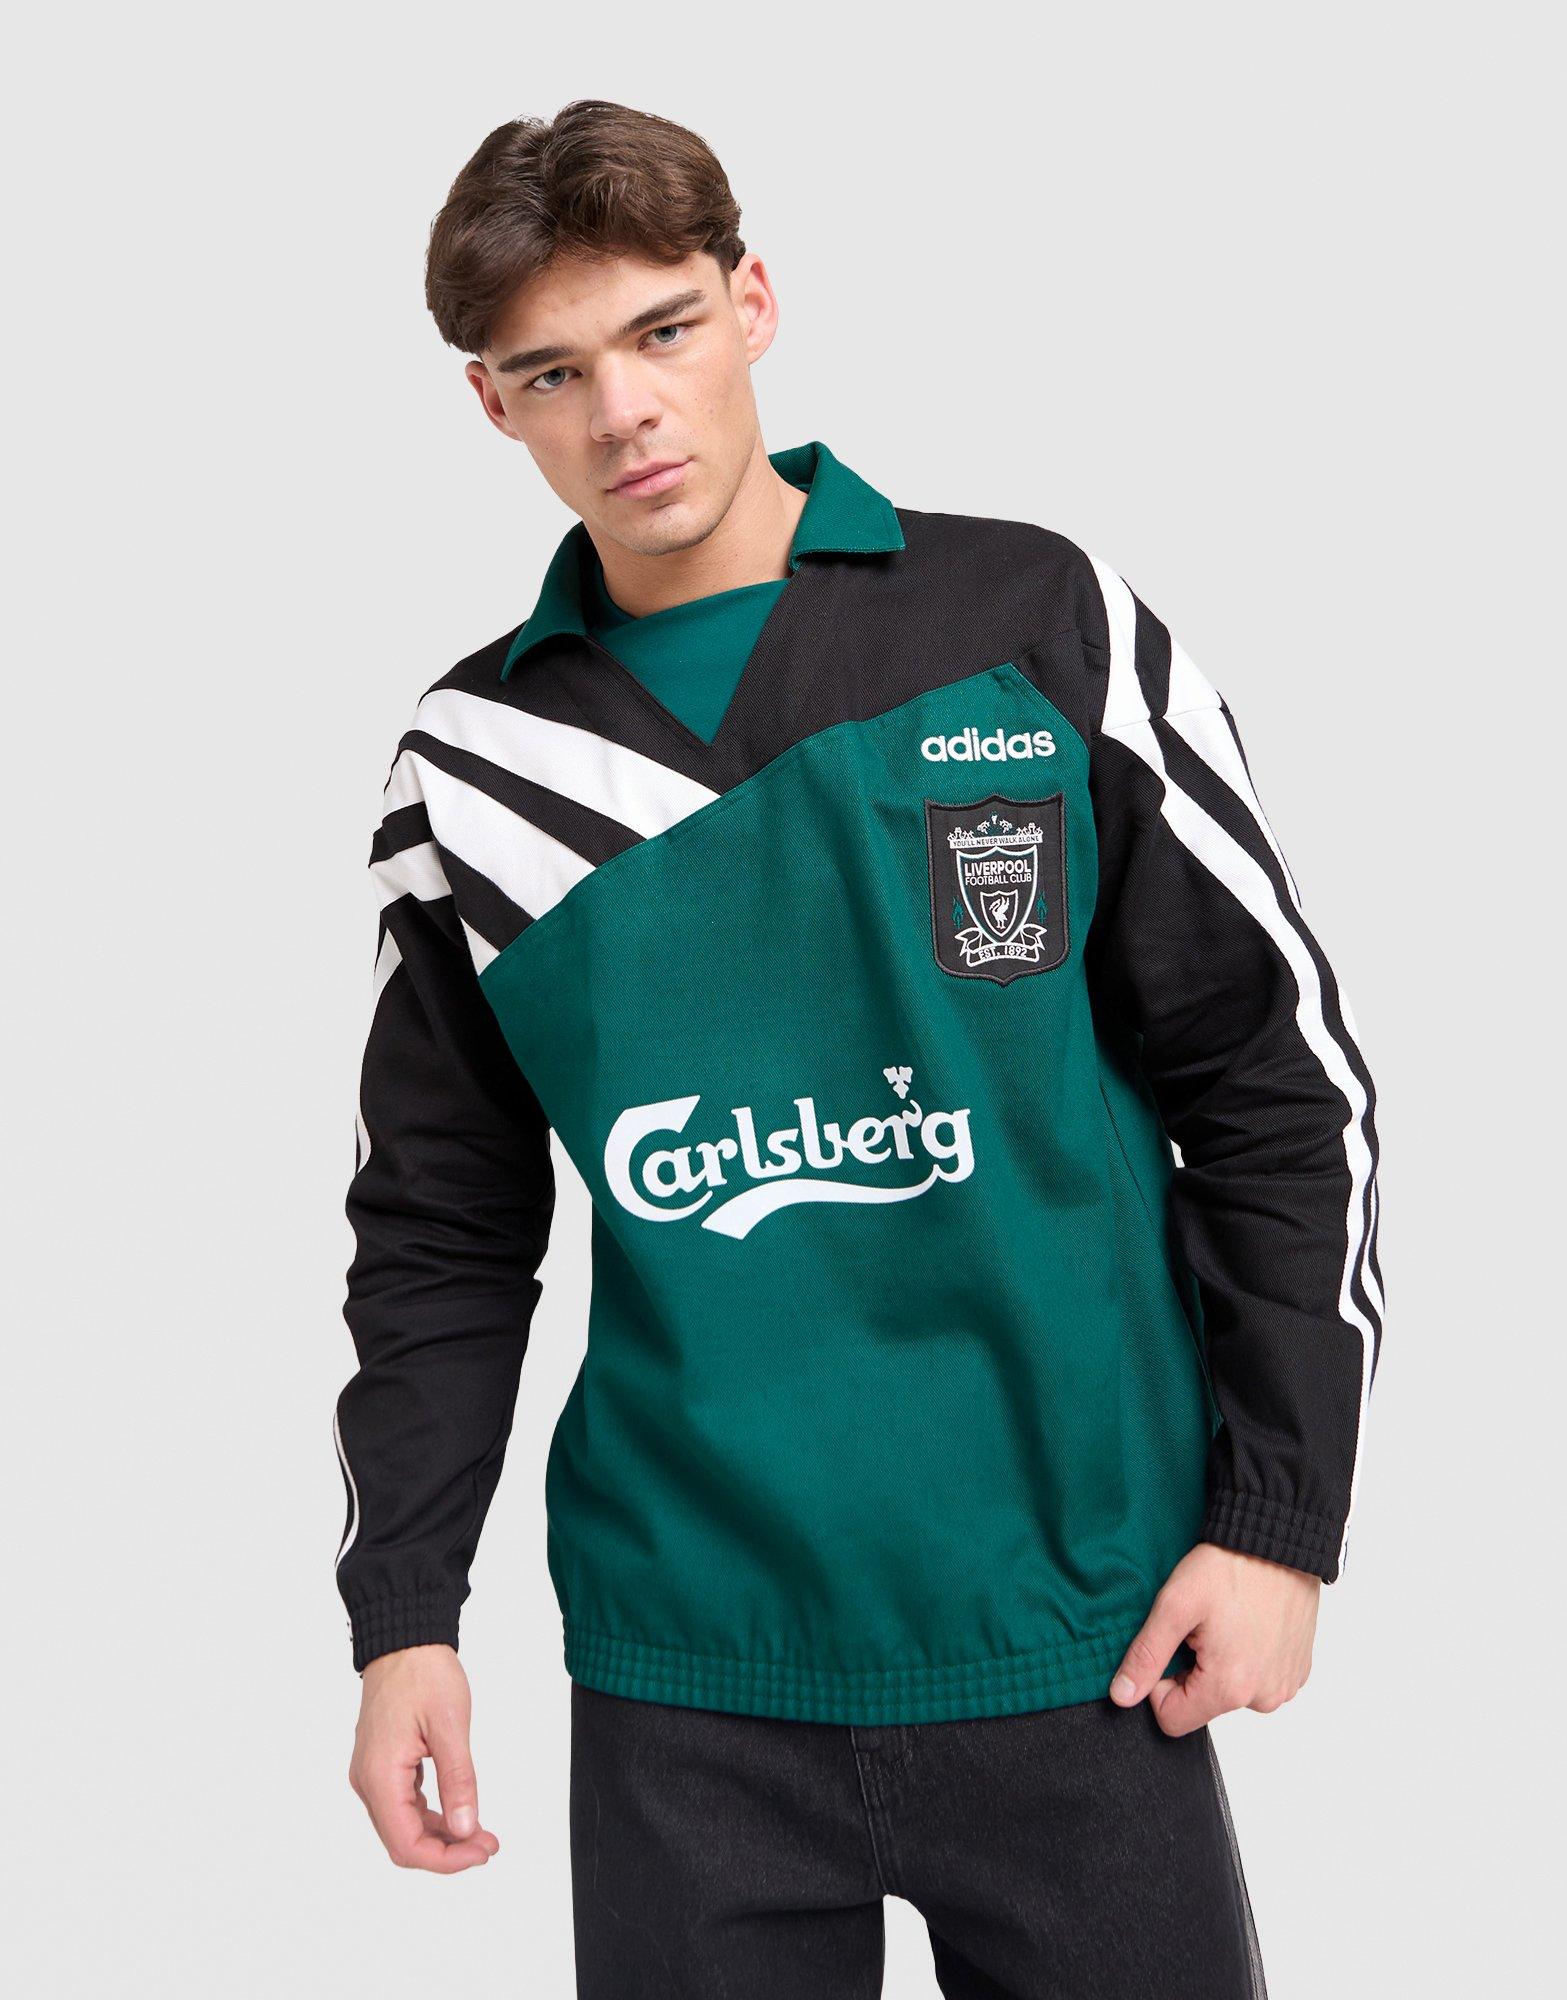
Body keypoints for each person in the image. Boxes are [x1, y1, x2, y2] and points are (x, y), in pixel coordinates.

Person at [333, 98, 1381, 1999]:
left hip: (1083, 1630)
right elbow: (441, 1228)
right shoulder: (473, 768)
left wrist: (1280, 1519)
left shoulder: (1037, 622)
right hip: (688, 1669)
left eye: (661, 331)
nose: (625, 411)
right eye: (553, 372)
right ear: (493, 405)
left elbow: (1274, 1083)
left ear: (751, 302)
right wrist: (405, 1610)